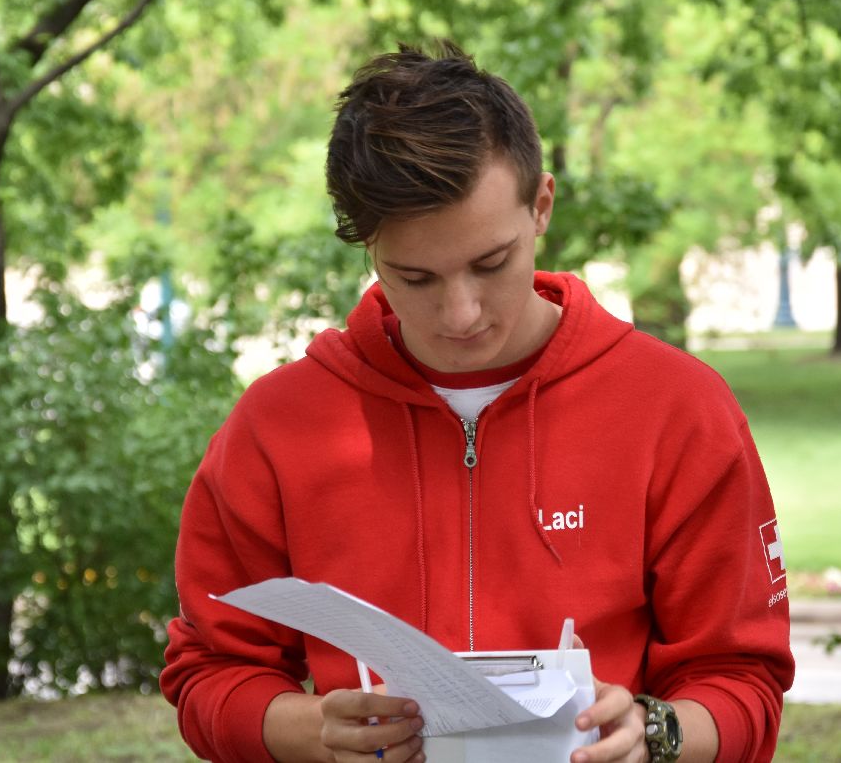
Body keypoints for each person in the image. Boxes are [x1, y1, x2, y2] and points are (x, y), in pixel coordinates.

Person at [161, 42, 794, 763]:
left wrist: (655, 735)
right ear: (368, 247)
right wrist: (313, 732)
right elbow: (208, 672)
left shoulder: (676, 408)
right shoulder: (279, 425)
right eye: (416, 278)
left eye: (491, 263)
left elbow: (743, 679)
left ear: (541, 206)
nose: (460, 314)